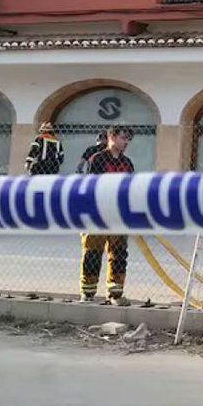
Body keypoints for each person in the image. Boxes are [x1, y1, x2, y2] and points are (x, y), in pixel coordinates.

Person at [79, 126, 135, 305]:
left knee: (119, 254)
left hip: (118, 216)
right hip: (97, 214)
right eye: (123, 138)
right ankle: (88, 293)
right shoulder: (97, 160)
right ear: (111, 137)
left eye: (128, 139)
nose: (126, 142)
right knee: (93, 253)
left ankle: (115, 293)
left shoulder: (127, 163)